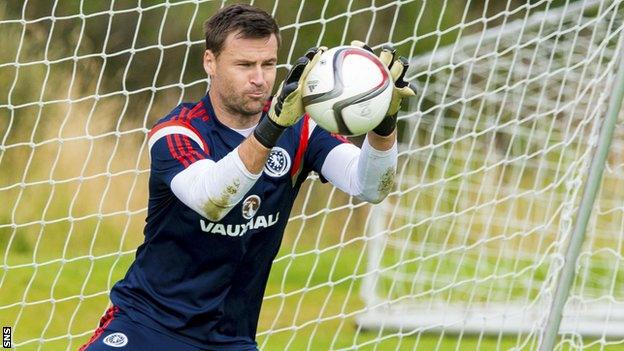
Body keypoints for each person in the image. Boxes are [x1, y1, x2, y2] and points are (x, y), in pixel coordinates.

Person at [79, 4, 415, 351]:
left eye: (268, 64)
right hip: (148, 323)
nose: (260, 78)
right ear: (210, 61)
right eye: (244, 65)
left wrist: (383, 122)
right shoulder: (178, 133)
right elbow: (213, 200)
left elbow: (371, 186)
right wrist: (273, 127)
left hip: (231, 339)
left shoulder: (300, 131)